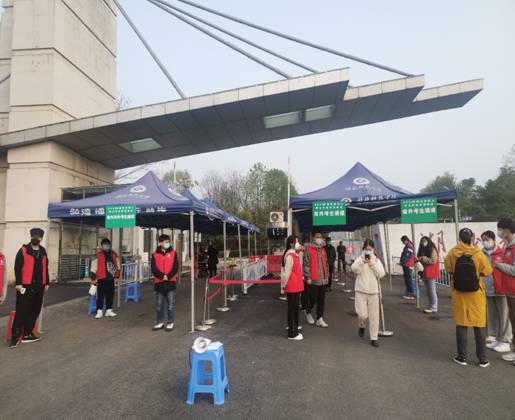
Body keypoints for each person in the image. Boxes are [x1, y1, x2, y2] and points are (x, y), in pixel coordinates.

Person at [444, 228, 493, 367]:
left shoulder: (453, 252)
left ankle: (462, 357)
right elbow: (488, 271)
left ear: (460, 238)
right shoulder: (478, 253)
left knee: (461, 324)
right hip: (476, 294)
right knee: (479, 325)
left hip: (459, 293)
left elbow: (448, 269)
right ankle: (482, 359)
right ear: (472, 238)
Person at [9, 228, 50, 349]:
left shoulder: (43, 251)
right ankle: (15, 337)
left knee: (35, 310)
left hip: (39, 286)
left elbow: (45, 267)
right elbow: (17, 267)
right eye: (34, 236)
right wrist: (18, 283)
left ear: (41, 238)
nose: (36, 239)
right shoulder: (23, 250)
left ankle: (27, 334)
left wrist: (46, 282)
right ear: (31, 237)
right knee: (22, 311)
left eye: (39, 237)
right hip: (25, 285)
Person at [481, 230, 512, 353]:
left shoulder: (501, 252)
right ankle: (497, 338)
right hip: (488, 289)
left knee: (504, 316)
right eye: (483, 240)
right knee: (493, 315)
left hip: (501, 289)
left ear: (493, 240)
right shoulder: (481, 254)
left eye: (487, 239)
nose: (485, 242)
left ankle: (506, 339)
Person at [351, 239, 386, 348]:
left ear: (373, 250)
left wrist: (372, 264)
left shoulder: (376, 260)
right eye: (366, 249)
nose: (368, 252)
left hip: (374, 291)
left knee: (374, 316)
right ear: (363, 249)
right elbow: (354, 269)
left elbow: (381, 274)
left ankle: (374, 338)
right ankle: (362, 325)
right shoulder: (359, 259)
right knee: (362, 314)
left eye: (370, 250)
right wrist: (362, 262)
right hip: (360, 290)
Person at [491, 218, 515, 365]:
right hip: (509, 290)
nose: (499, 232)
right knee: (513, 321)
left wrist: (499, 266)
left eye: (500, 229)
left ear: (507, 230)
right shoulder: (507, 246)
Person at [151, 234, 179, 331]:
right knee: (159, 304)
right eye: (166, 242)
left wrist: (168, 276)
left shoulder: (173, 253)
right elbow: (153, 269)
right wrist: (162, 276)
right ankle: (160, 322)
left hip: (170, 282)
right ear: (160, 243)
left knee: (170, 304)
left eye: (168, 241)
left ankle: (170, 322)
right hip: (159, 283)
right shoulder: (154, 254)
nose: (168, 243)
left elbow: (175, 267)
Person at [303, 232, 329, 328]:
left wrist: (327, 276)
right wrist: (308, 277)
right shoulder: (308, 249)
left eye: (320, 237)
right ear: (313, 238)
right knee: (313, 298)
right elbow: (306, 264)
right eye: (317, 237)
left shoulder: (322, 249)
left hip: (322, 279)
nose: (319, 238)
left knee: (321, 300)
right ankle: (308, 311)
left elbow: (325, 263)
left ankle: (319, 318)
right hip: (313, 279)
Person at [90, 238, 120, 319]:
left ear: (110, 245)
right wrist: (93, 278)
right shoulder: (97, 255)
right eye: (105, 245)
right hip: (101, 278)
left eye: (108, 245)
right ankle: (99, 311)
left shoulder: (114, 254)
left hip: (111, 278)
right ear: (102, 246)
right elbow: (93, 266)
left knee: (110, 295)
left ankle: (109, 310)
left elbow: (117, 265)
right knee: (100, 296)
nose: (106, 246)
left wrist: (117, 276)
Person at [282, 235, 304, 341]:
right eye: (296, 241)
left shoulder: (294, 254)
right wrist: (284, 285)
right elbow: (286, 273)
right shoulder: (290, 256)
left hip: (295, 286)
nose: (298, 243)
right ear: (291, 244)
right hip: (292, 286)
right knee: (292, 309)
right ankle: (292, 333)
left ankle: (294, 327)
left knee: (294, 309)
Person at [416, 236, 439, 313]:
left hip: (431, 272)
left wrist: (422, 258)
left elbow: (433, 260)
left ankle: (434, 307)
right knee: (428, 291)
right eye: (422, 241)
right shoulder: (422, 250)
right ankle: (430, 306)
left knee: (431, 290)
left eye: (425, 241)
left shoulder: (432, 249)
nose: (423, 243)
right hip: (425, 272)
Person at [400, 235, 417, 300]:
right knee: (408, 279)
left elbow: (406, 256)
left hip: (408, 265)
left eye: (403, 241)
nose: (403, 243)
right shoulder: (409, 246)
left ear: (406, 240)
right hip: (407, 265)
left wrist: (402, 261)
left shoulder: (409, 246)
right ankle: (409, 293)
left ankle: (411, 294)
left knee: (408, 280)